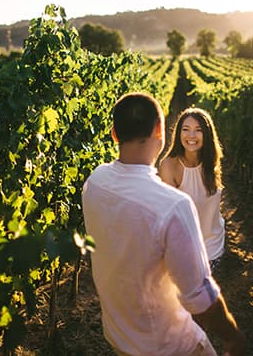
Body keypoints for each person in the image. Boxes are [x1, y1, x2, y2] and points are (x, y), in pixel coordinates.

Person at [82, 92, 244, 356]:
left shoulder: (94, 182)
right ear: (161, 130)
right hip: (170, 346)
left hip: (118, 338)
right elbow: (199, 298)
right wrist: (233, 336)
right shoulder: (172, 206)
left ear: (114, 134)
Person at [159, 107, 226, 271]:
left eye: (198, 130)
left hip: (214, 249)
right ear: (178, 133)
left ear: (207, 134)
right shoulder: (170, 166)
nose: (191, 136)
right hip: (185, 254)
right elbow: (169, 216)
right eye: (186, 129)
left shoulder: (211, 162)